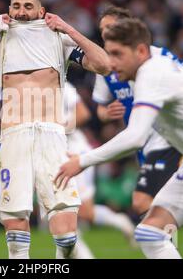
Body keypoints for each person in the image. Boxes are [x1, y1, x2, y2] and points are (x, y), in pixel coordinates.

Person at [0, 0, 110, 259]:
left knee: (67, 237)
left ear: (42, 12)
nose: (21, 11)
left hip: (53, 137)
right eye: (16, 6)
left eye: (28, 6)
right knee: (17, 238)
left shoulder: (59, 40)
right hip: (13, 140)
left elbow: (104, 65)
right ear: (8, 10)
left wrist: (68, 29)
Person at [55, 18, 183, 259]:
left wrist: (82, 161)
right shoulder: (153, 68)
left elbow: (135, 137)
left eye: (117, 54)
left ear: (141, 51)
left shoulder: (153, 74)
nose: (111, 63)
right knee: (150, 232)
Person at [63, 82, 135, 251]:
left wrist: (54, 129)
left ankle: (120, 222)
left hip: (74, 153)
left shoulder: (61, 86)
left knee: (82, 212)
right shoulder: (27, 89)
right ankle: (121, 222)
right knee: (66, 212)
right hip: (55, 155)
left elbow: (83, 113)